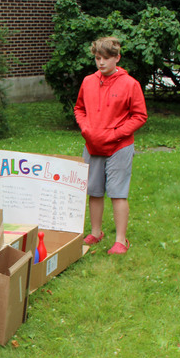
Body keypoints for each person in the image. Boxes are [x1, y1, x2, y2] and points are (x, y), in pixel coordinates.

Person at [74, 36, 147, 255]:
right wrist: (86, 129)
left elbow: (139, 115)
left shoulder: (130, 84)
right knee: (94, 191)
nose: (101, 63)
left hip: (119, 147)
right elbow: (79, 109)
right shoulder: (88, 81)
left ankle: (120, 240)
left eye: (106, 58)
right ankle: (96, 232)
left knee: (118, 192)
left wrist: (116, 133)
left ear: (117, 58)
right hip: (92, 145)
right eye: (97, 58)